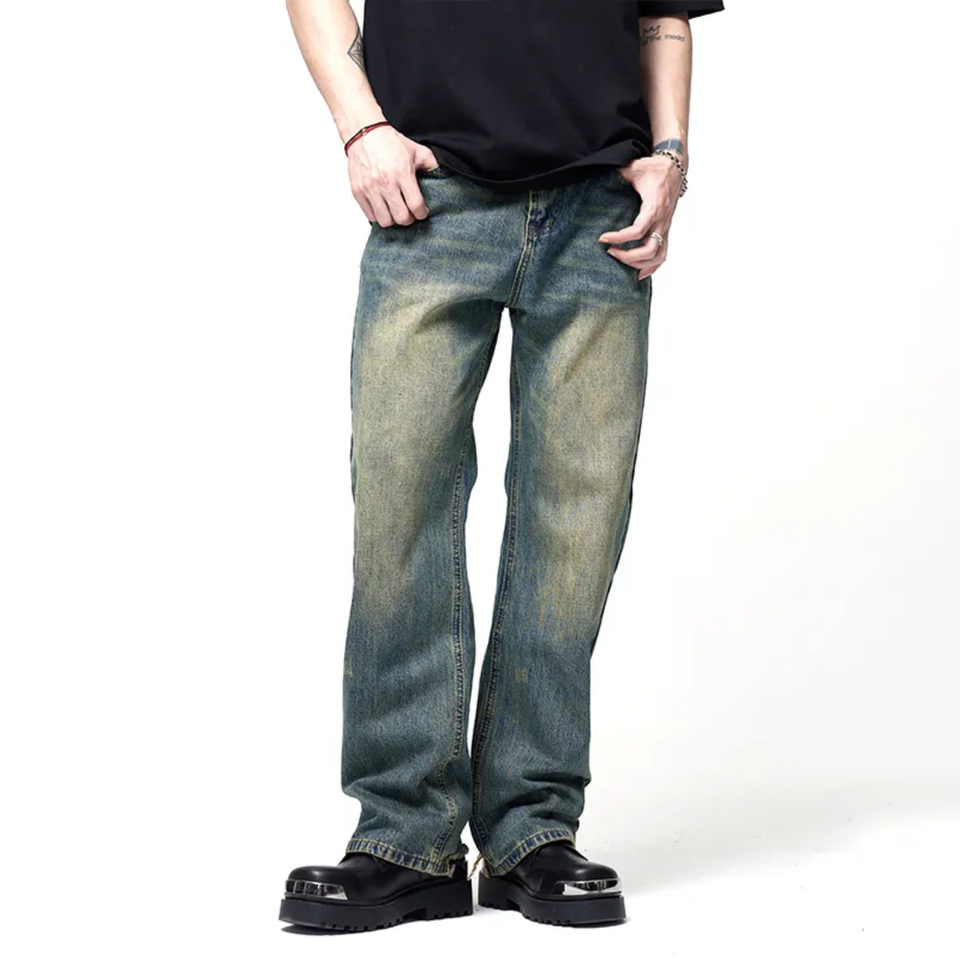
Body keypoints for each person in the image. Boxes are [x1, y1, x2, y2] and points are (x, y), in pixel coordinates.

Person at [279, 0, 725, 931]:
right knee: (399, 515)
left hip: (600, 211)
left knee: (575, 530)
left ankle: (532, 831)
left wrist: (671, 157)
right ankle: (404, 837)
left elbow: (666, 13)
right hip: (430, 200)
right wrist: (362, 128)